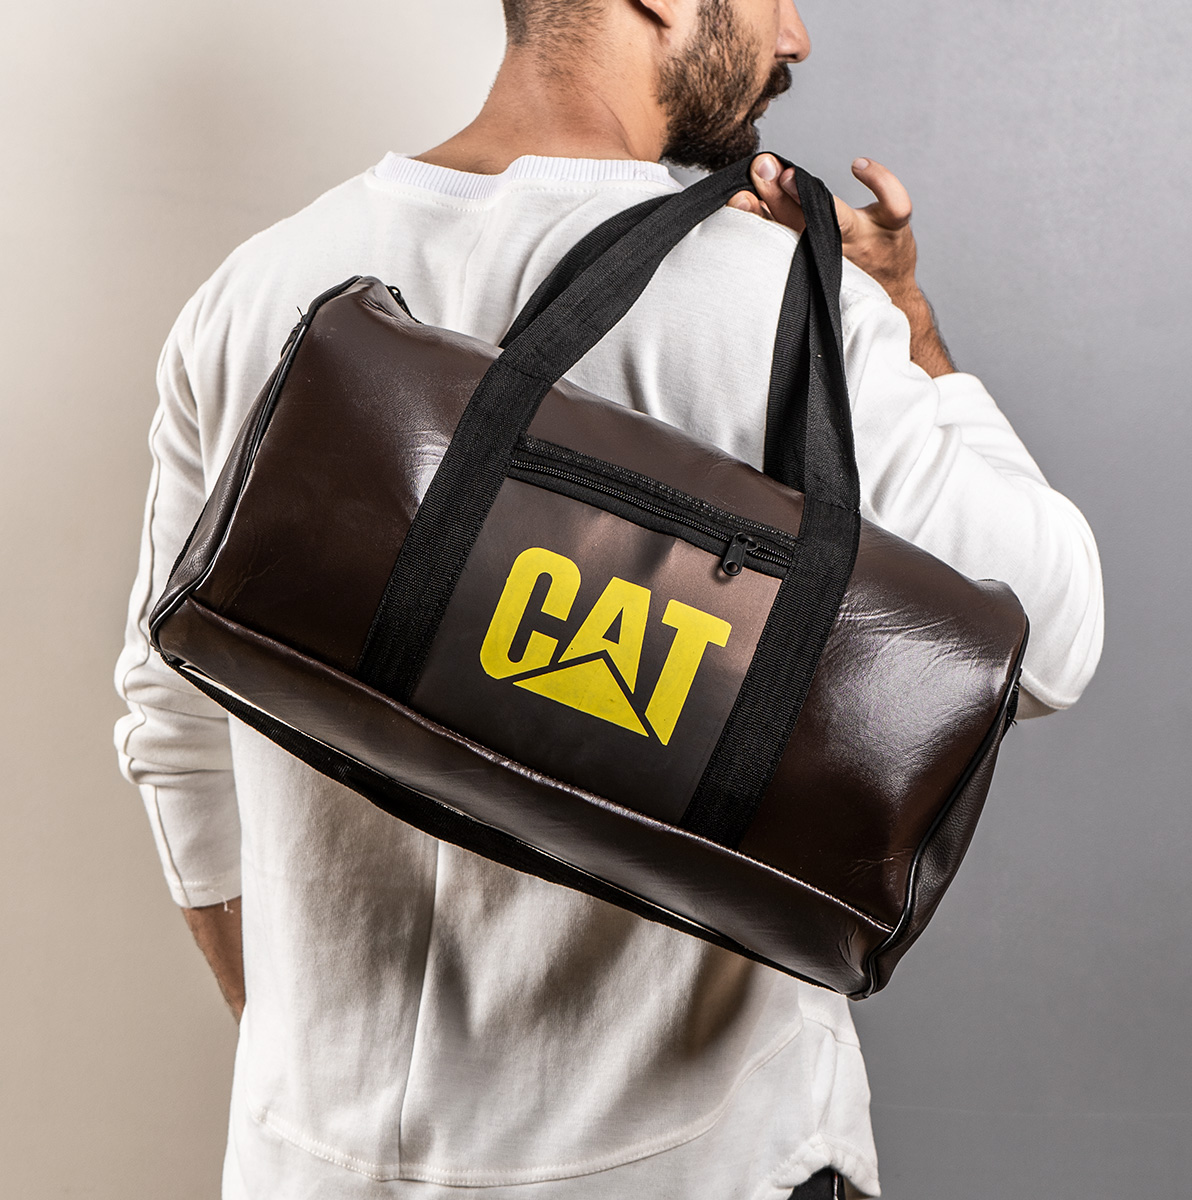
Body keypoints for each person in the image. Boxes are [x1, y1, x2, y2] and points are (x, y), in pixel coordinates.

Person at [113, 1, 1104, 1197]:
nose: (795, 38)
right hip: (699, 1166)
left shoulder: (257, 289)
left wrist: (292, 1057)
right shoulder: (777, 302)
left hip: (312, 1166)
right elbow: (1051, 636)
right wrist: (910, 326)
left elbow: (171, 728)